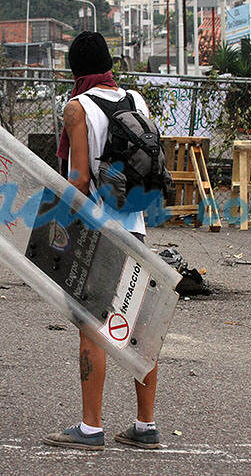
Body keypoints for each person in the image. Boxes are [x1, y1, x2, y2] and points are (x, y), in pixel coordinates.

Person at [42, 31, 161, 450]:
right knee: (138, 329)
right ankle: (145, 425)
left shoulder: (77, 108)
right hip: (137, 228)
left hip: (98, 230)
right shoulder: (136, 99)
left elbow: (78, 180)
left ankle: (91, 427)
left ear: (75, 69)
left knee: (92, 329)